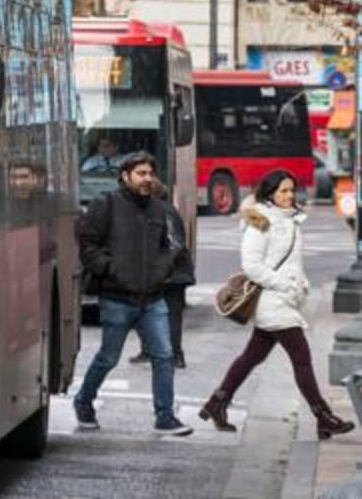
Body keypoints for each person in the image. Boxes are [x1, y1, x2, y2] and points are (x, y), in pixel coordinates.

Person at [198, 172, 355, 438]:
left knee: (252, 357)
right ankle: (323, 416)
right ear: (270, 193)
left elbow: (293, 262)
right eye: (283, 191)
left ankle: (217, 403)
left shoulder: (289, 220)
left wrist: (301, 285)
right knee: (302, 359)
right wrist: (285, 285)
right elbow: (252, 266)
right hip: (273, 303)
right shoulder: (261, 222)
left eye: (291, 191)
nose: (289, 196)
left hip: (284, 301)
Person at [75, 152, 193, 436]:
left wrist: (162, 269)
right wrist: (111, 268)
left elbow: (171, 245)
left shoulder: (159, 208)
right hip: (117, 297)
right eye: (141, 174)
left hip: (153, 298)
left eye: (150, 173)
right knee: (108, 357)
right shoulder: (107, 205)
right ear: (125, 176)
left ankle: (164, 416)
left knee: (164, 356)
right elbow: (87, 245)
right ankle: (83, 401)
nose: (147, 179)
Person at [129, 179, 195, 369]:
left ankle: (176, 355)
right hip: (162, 272)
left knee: (172, 315)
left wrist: (159, 265)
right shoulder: (152, 212)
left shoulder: (166, 212)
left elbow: (176, 243)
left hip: (172, 275)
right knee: (145, 310)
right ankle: (150, 350)